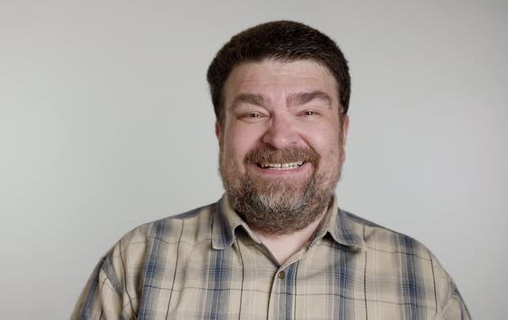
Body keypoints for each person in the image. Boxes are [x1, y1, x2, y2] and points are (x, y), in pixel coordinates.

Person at [71, 20, 471, 320]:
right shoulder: (138, 262)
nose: (280, 138)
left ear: (342, 132)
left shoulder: (418, 276)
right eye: (253, 113)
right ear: (220, 133)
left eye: (309, 111)